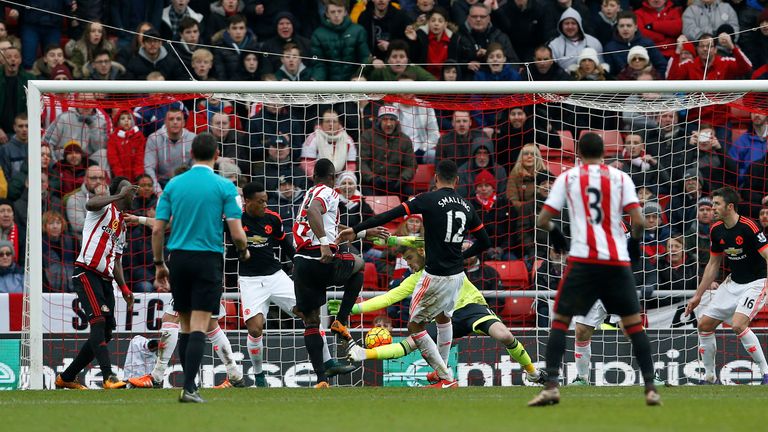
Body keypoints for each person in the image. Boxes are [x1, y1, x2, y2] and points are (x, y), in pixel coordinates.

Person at [528, 132, 660, 406]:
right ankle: (650, 387)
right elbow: (638, 221)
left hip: (583, 262)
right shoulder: (621, 177)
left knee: (560, 322)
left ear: (578, 154)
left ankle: (551, 386)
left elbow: (543, 219)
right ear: (604, 153)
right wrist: (634, 247)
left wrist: (558, 235)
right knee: (634, 325)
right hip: (615, 262)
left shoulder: (568, 177)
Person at [340, 159, 492, 388]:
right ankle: (442, 373)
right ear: (457, 181)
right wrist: (461, 257)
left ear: (435, 178)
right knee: (443, 319)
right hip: (458, 277)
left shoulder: (428, 199)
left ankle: (446, 377)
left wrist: (357, 229)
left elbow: (390, 215)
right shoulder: (466, 205)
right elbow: (485, 242)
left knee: (415, 327)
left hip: (435, 276)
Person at [345, 245, 545, 384]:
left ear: (422, 252)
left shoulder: (444, 259)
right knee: (411, 343)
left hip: (473, 308)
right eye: (405, 260)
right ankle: (364, 353)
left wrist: (397, 239)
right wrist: (352, 308)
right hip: (446, 317)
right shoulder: (414, 279)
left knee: (505, 336)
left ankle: (532, 374)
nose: (408, 264)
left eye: (410, 258)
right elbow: (388, 298)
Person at [152, 132, 249, 403]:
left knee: (184, 324)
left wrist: (160, 264)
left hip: (178, 259)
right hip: (208, 259)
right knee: (200, 323)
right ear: (216, 155)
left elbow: (158, 230)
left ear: (191, 154)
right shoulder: (225, 187)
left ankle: (190, 385)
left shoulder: (173, 185)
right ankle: (189, 388)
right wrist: (244, 251)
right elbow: (238, 234)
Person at [237, 181, 355, 387]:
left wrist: (298, 268)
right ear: (247, 201)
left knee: (308, 312)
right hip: (250, 280)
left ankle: (328, 362)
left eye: (266, 200)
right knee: (255, 330)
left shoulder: (272, 219)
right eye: (260, 202)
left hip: (275, 276)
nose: (265, 205)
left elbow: (286, 245)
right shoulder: (234, 221)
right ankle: (258, 376)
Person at [290, 159, 386, 388]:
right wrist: (324, 242)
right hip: (320, 259)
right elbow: (316, 213)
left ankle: (322, 380)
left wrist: (363, 232)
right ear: (333, 178)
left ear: (313, 177)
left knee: (311, 322)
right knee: (360, 265)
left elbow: (331, 227)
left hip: (301, 264)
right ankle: (341, 321)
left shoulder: (310, 193)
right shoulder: (329, 193)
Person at [55, 177, 138, 390]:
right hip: (86, 273)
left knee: (107, 331)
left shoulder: (122, 226)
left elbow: (117, 260)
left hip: (105, 280)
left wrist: (125, 288)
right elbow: (89, 204)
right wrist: (121, 194)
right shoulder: (102, 208)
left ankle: (67, 377)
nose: (134, 195)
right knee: (98, 322)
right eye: (131, 191)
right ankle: (108, 376)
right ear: (120, 192)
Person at [684, 187, 768, 385]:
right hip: (733, 282)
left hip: (756, 283)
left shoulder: (749, 227)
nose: (713, 208)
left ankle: (766, 372)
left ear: (730, 207)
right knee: (704, 325)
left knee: (738, 325)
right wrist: (697, 295)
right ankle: (710, 377)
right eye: (713, 204)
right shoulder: (716, 230)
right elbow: (713, 264)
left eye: (716, 204)